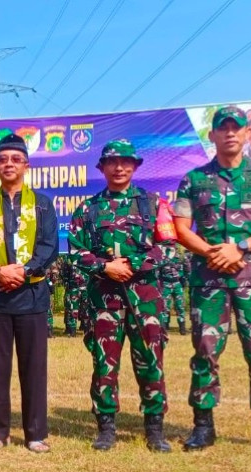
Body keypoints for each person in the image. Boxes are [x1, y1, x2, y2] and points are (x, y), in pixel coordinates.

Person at [173, 106, 251, 452]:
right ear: (212, 136)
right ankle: (203, 425)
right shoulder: (194, 179)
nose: (229, 133)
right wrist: (214, 253)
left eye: (236, 128)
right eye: (222, 128)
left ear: (247, 134)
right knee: (206, 350)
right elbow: (182, 228)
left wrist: (239, 247)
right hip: (208, 279)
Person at [67, 139, 170, 452]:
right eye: (112, 162)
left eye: (126, 161)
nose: (120, 167)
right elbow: (75, 251)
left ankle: (154, 428)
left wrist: (133, 263)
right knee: (104, 363)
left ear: (135, 166)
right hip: (105, 299)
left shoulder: (154, 204)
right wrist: (105, 267)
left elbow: (167, 245)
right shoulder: (88, 209)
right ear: (102, 168)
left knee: (151, 361)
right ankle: (106, 426)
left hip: (146, 299)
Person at [0, 134, 59, 453]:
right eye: (3, 159)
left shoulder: (43, 204)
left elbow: (49, 246)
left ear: (26, 164)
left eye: (15, 159)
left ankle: (35, 432)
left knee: (33, 367)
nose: (9, 164)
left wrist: (24, 271)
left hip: (31, 296)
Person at [159, 243, 188, 336]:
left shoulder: (179, 257)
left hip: (177, 284)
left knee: (180, 306)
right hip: (165, 284)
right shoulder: (161, 255)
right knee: (164, 306)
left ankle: (182, 327)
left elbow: (185, 270)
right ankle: (165, 326)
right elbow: (157, 270)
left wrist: (184, 281)